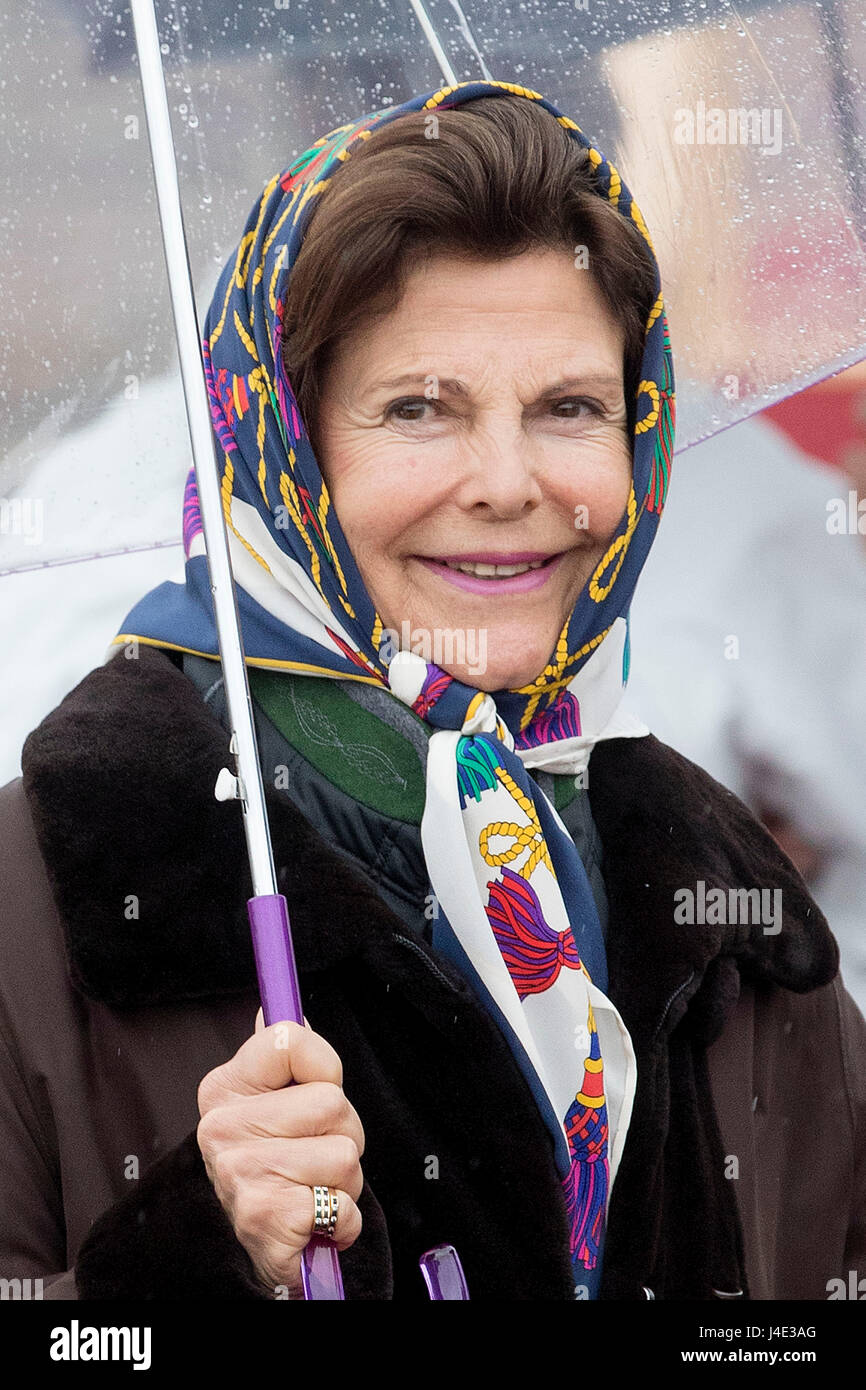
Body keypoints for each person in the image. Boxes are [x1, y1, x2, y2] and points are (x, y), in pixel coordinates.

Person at [1, 80, 863, 1303]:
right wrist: (194, 1262)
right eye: (417, 408)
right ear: (284, 446)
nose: (508, 483)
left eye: (569, 406)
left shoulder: (715, 894)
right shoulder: (43, 897)